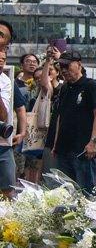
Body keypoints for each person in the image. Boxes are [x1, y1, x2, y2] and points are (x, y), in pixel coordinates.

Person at [51, 51, 96, 192]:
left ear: (79, 64)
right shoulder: (64, 88)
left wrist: (93, 142)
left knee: (85, 192)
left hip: (82, 149)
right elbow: (60, 116)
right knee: (65, 193)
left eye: (67, 66)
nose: (64, 70)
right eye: (61, 66)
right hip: (63, 148)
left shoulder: (90, 85)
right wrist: (56, 143)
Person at [0, 39, 27, 196]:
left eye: (3, 60)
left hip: (3, 143)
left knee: (9, 189)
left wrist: (22, 132)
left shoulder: (6, 80)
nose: (1, 63)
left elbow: (5, 114)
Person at [15, 53, 42, 182]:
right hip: (18, 130)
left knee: (34, 166)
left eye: (34, 61)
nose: (32, 63)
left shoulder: (40, 85)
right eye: (28, 61)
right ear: (21, 65)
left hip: (35, 132)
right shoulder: (14, 83)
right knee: (17, 166)